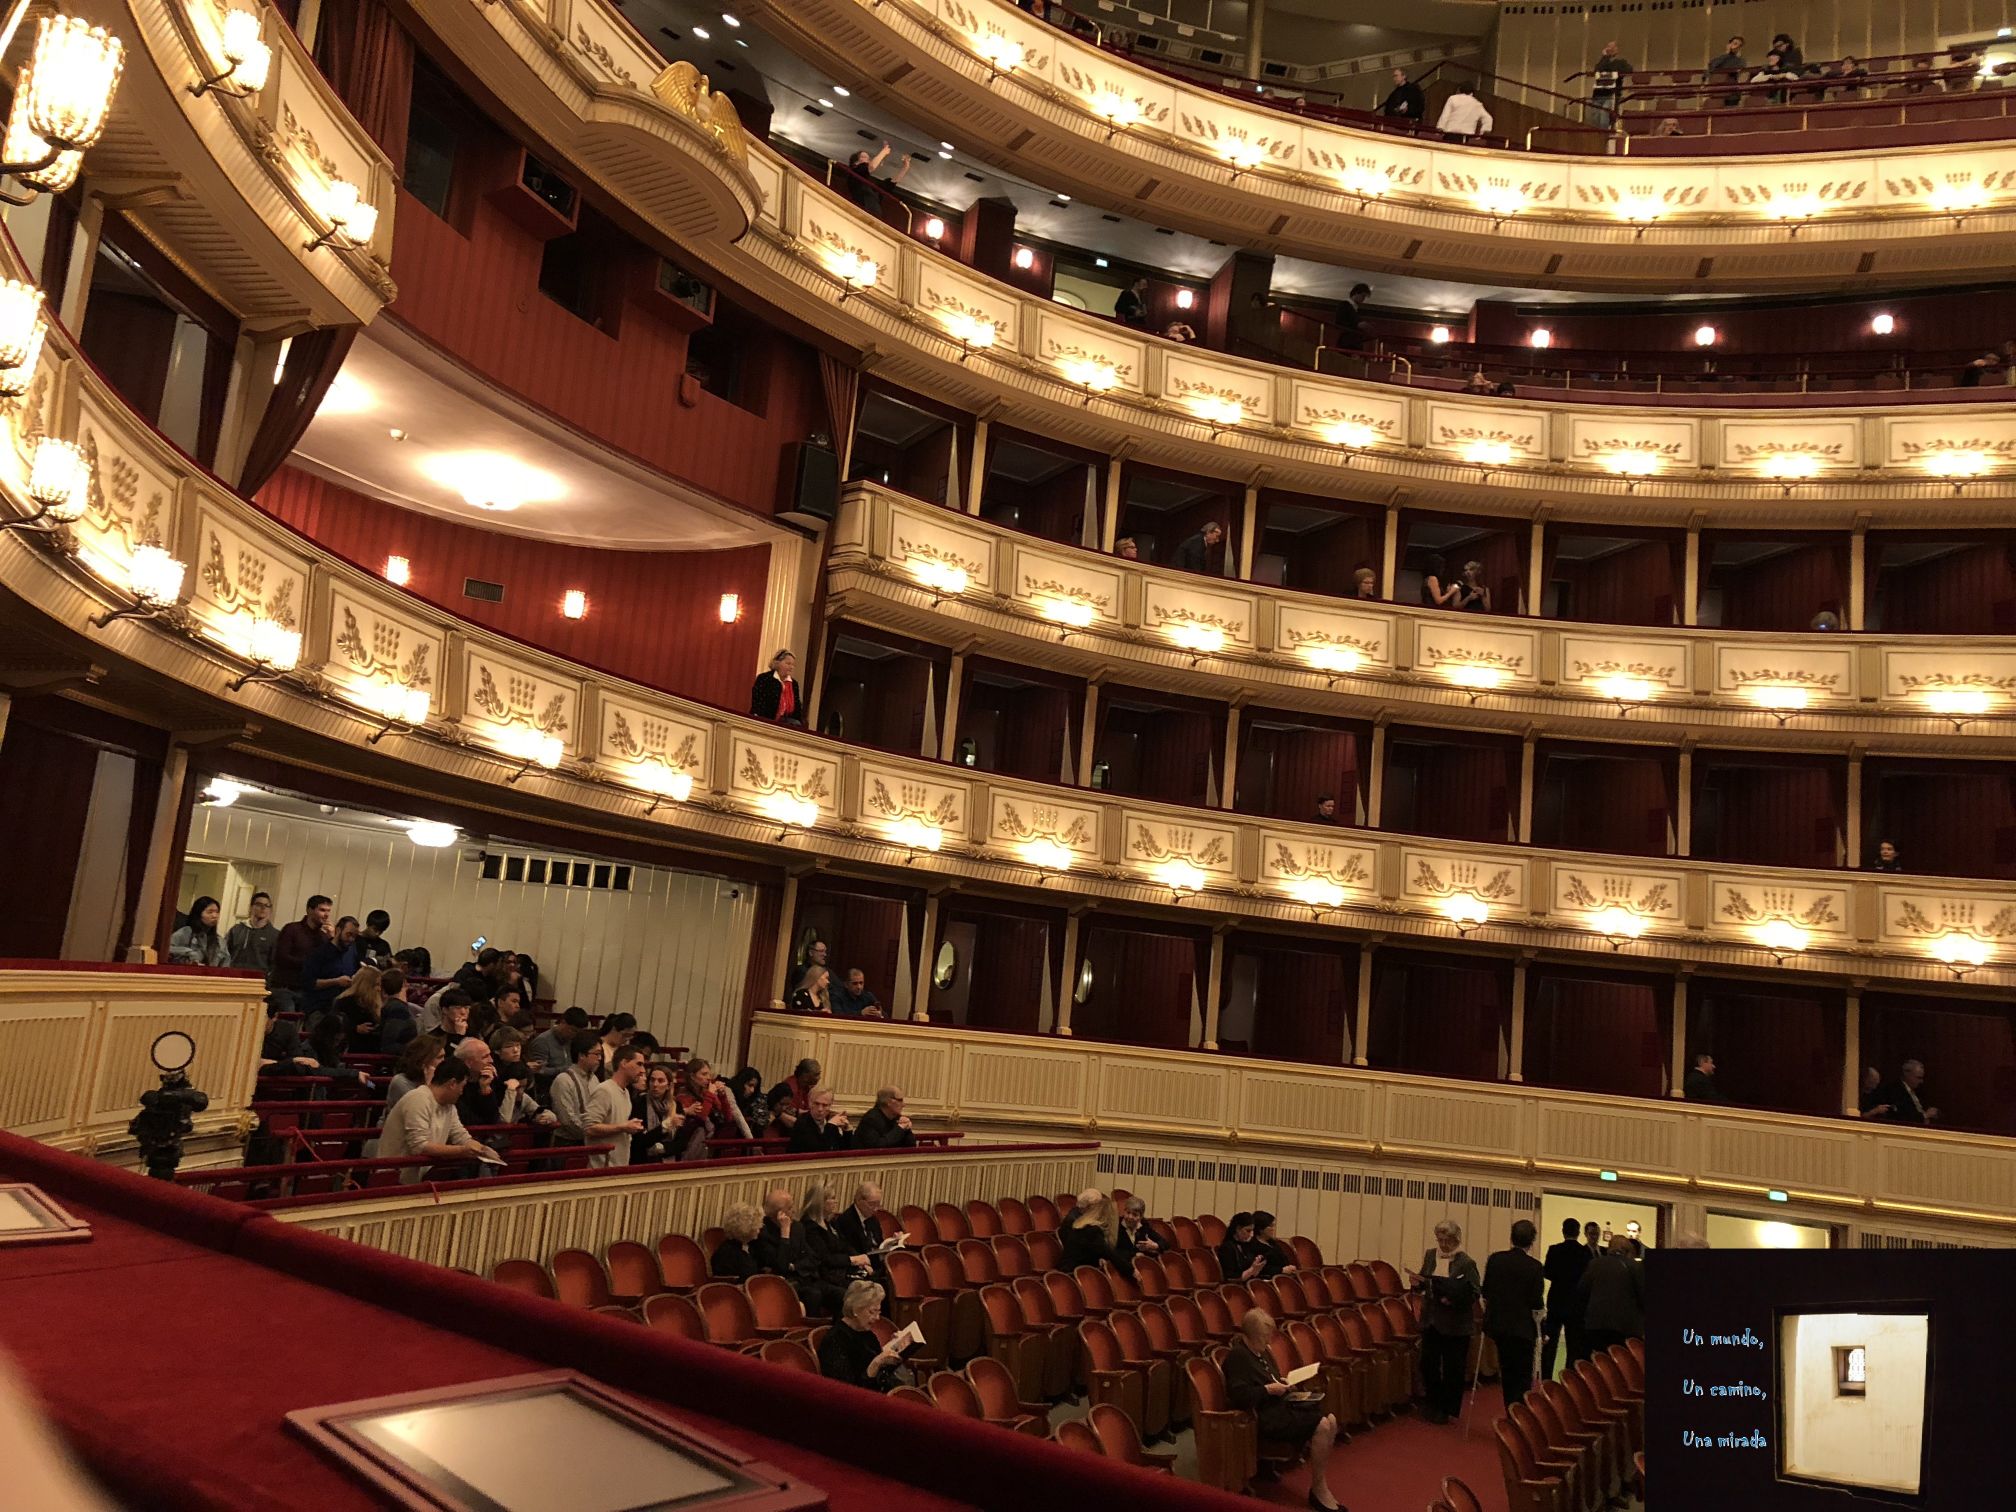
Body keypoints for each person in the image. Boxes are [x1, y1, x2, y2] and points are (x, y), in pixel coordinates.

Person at [1222, 1311, 1344, 1510]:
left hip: (1279, 1406)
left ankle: (1319, 1485)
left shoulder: (1262, 1351)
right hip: (1265, 1416)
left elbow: (1271, 1377)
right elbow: (1239, 1395)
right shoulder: (1238, 1356)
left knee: (1330, 1419)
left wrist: (1284, 1383)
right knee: (1322, 1425)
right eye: (1264, 1337)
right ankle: (1319, 1488)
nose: (1269, 1341)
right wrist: (1268, 1389)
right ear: (1251, 1335)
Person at [384, 1059, 503, 1182]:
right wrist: (462, 1151)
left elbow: (461, 1136)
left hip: (420, 1178)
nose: (462, 1092)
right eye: (462, 1086)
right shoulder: (418, 1099)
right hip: (393, 1178)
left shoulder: (449, 1106)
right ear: (452, 1083)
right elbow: (419, 1146)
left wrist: (482, 1150)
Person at [1411, 1219, 1480, 1424]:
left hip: (1455, 1323)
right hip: (1431, 1319)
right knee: (1428, 1363)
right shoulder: (1431, 1256)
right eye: (1439, 1239)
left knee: (1453, 1368)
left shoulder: (1466, 1263)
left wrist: (1453, 1298)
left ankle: (1446, 1409)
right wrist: (1417, 1284)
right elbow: (1426, 1280)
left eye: (1446, 1240)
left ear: (1455, 1239)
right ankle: (1432, 1402)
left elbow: (1474, 1291)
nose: (1442, 1244)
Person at [1483, 1220, 1545, 1407]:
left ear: (1512, 1237)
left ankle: (1510, 1407)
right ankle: (1520, 1412)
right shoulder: (1534, 1266)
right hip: (1523, 1328)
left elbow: (1486, 1291)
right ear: (1531, 1241)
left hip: (1500, 1325)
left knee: (1507, 1371)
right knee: (1523, 1374)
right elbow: (1536, 1300)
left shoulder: (1496, 1259)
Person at [819, 1280, 907, 1391]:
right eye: (872, 1312)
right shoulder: (834, 1340)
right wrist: (876, 1363)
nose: (877, 1318)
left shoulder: (867, 1335)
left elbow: (881, 1372)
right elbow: (846, 1390)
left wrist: (894, 1347)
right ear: (856, 1309)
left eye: (879, 1312)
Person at [800, 1182, 871, 1312]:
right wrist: (853, 1260)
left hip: (840, 1272)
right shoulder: (810, 1227)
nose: (836, 1201)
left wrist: (862, 1260)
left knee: (878, 1286)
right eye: (831, 1198)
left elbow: (845, 1245)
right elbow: (825, 1258)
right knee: (854, 1295)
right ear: (820, 1202)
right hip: (824, 1276)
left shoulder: (830, 1222)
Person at [1576, 1234, 1645, 1357]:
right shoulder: (1635, 1266)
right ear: (1628, 1251)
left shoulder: (1594, 1264)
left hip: (1596, 1324)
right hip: (1625, 1325)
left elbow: (1582, 1291)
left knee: (1601, 1360)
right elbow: (1643, 1295)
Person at [1540, 1217, 1592, 1380]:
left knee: (1550, 1342)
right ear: (1578, 1233)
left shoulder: (1554, 1250)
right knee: (1574, 1344)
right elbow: (1587, 1277)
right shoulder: (1585, 1252)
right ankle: (1570, 1379)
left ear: (1563, 1231)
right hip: (1576, 1302)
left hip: (1556, 1299)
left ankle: (1546, 1377)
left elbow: (1547, 1272)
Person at [583, 1044, 646, 1167]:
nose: (643, 1070)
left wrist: (629, 1127)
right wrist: (623, 1127)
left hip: (619, 1166)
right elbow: (589, 1128)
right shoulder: (604, 1090)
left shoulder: (626, 1092)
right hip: (601, 1169)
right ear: (623, 1063)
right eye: (639, 1064)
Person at [270, 895, 333, 1013]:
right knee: (288, 1021)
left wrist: (332, 940)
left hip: (307, 990)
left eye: (328, 911)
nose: (326, 915)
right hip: (285, 987)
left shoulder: (324, 937)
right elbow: (281, 957)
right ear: (310, 910)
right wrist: (309, 964)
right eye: (322, 910)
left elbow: (327, 963)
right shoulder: (292, 929)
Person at [299, 916, 362, 1021]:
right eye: (349, 934)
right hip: (319, 1009)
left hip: (341, 1010)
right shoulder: (320, 953)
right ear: (338, 930)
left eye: (354, 936)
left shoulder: (352, 952)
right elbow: (308, 982)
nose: (351, 939)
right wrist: (336, 982)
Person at [548, 1029, 603, 1143]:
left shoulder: (594, 1079)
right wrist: (591, 1131)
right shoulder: (563, 1080)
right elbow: (567, 1120)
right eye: (596, 1054)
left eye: (601, 1054)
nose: (600, 1058)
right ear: (582, 1055)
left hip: (590, 1139)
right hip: (566, 1142)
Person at [832, 1181, 890, 1281]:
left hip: (875, 1263)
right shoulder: (847, 1220)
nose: (876, 1209)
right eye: (872, 1204)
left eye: (878, 1204)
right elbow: (847, 1249)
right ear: (859, 1200)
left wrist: (891, 1243)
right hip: (859, 1266)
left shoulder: (872, 1219)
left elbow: (878, 1242)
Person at [838, 144, 910, 214]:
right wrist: (884, 152)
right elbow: (871, 166)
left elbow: (890, 184)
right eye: (864, 157)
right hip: (861, 208)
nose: (868, 159)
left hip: (875, 212)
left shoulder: (870, 183)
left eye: (868, 158)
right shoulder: (855, 172)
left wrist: (905, 167)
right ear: (855, 162)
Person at [1060, 1191, 1121, 1270]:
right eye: (1098, 1205)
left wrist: (1099, 1258)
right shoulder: (1078, 1222)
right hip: (1074, 1268)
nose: (1100, 1209)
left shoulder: (1083, 1219)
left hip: (1083, 1263)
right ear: (1090, 1206)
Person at [528, 1006, 589, 1081]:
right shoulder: (543, 1041)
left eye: (579, 1033)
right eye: (573, 1030)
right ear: (563, 1022)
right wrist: (566, 1069)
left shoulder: (570, 1040)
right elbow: (539, 1071)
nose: (575, 1035)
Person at [384, 1036, 445, 1111]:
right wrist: (428, 1085)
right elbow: (420, 1110)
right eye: (439, 1057)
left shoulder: (440, 1080)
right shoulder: (400, 1081)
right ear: (424, 1060)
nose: (444, 1061)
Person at [225, 892, 279, 974]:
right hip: (234, 976)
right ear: (251, 907)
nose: (263, 908)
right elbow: (225, 953)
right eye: (259, 904)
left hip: (258, 979)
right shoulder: (237, 930)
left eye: (267, 905)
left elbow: (275, 963)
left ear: (270, 910)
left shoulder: (275, 935)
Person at [169, 897, 230, 968]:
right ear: (199, 914)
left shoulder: (220, 941)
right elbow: (168, 949)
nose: (215, 916)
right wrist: (189, 952)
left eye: (217, 912)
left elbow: (225, 965)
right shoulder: (185, 932)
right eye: (210, 912)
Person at [789, 1086, 852, 1153]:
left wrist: (847, 1131)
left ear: (830, 1105)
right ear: (810, 1103)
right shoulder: (801, 1123)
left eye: (825, 1105)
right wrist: (830, 1126)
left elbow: (842, 1151)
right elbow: (819, 1151)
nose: (820, 1109)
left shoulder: (830, 1123)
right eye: (816, 1104)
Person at [1115, 1197, 1177, 1265]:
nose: (1130, 1217)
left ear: (1140, 1217)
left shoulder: (1144, 1226)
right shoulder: (1116, 1226)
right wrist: (1134, 1255)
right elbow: (1113, 1250)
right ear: (1124, 1211)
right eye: (1128, 1212)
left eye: (1134, 1215)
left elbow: (1165, 1244)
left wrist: (1155, 1245)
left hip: (1141, 1265)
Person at [750, 649, 803, 726]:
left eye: (793, 665)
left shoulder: (794, 684)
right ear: (777, 663)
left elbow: (797, 709)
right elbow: (757, 702)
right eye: (788, 663)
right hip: (764, 719)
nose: (791, 667)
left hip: (786, 723)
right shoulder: (764, 678)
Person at [1878, 1059, 1939, 1126]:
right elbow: (1900, 1116)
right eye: (1918, 1078)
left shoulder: (1920, 1092)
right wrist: (1925, 1115)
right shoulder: (1894, 1090)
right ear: (1906, 1074)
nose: (1921, 1081)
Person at [712, 1204, 764, 1280]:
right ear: (745, 1229)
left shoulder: (748, 1247)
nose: (759, 1230)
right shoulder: (727, 1253)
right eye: (756, 1227)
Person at [1589, 40, 1633, 130]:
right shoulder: (1603, 60)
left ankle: (1603, 135)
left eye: (1612, 47)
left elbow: (1628, 70)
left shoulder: (1621, 62)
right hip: (1598, 93)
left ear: (1617, 49)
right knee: (1595, 117)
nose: (1610, 49)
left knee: (1604, 115)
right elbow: (1597, 70)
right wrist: (1604, 57)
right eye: (1609, 47)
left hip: (1611, 94)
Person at [1218, 1212, 1266, 1283]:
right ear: (1238, 1229)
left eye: (1252, 1230)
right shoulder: (1227, 1248)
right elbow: (1230, 1277)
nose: (1252, 1235)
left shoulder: (1247, 1245)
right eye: (1248, 1231)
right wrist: (1252, 1270)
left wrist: (1256, 1269)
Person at [1251, 1212, 1297, 1277]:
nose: (1273, 1229)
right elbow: (1261, 1268)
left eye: (1273, 1226)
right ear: (1261, 1228)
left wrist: (1289, 1267)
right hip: (1268, 1278)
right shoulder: (1253, 1245)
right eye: (1270, 1226)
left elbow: (1283, 1259)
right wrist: (1281, 1270)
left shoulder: (1272, 1243)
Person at [1706, 35, 1746, 107]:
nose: (1736, 47)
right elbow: (1712, 66)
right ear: (1729, 44)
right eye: (1735, 44)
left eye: (1739, 46)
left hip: (1731, 92)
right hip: (1717, 90)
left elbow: (1735, 70)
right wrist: (1726, 54)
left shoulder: (1740, 61)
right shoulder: (1719, 58)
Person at [594, 1012, 637, 1077]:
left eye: (630, 1036)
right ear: (614, 1029)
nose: (627, 1039)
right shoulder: (598, 1045)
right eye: (625, 1035)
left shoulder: (623, 1049)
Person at [1334, 282, 1372, 352]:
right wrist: (1357, 325)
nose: (1363, 299)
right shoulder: (1344, 305)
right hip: (1347, 342)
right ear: (1356, 293)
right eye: (1362, 296)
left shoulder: (1356, 309)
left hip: (1353, 341)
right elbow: (1339, 322)